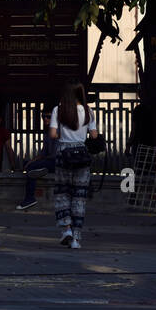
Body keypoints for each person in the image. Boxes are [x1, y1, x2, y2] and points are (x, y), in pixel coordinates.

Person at [51, 81, 99, 248]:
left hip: (63, 154)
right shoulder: (89, 112)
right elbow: (94, 136)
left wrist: (64, 136)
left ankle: (67, 229)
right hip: (82, 155)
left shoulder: (59, 110)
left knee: (62, 193)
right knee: (79, 196)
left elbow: (53, 134)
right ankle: (77, 239)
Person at [17, 106, 58, 211]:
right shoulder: (47, 133)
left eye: (48, 117)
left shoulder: (60, 130)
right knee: (28, 164)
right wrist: (32, 160)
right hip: (48, 160)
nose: (45, 119)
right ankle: (41, 170)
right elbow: (43, 153)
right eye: (43, 117)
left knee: (32, 169)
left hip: (57, 162)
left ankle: (30, 198)